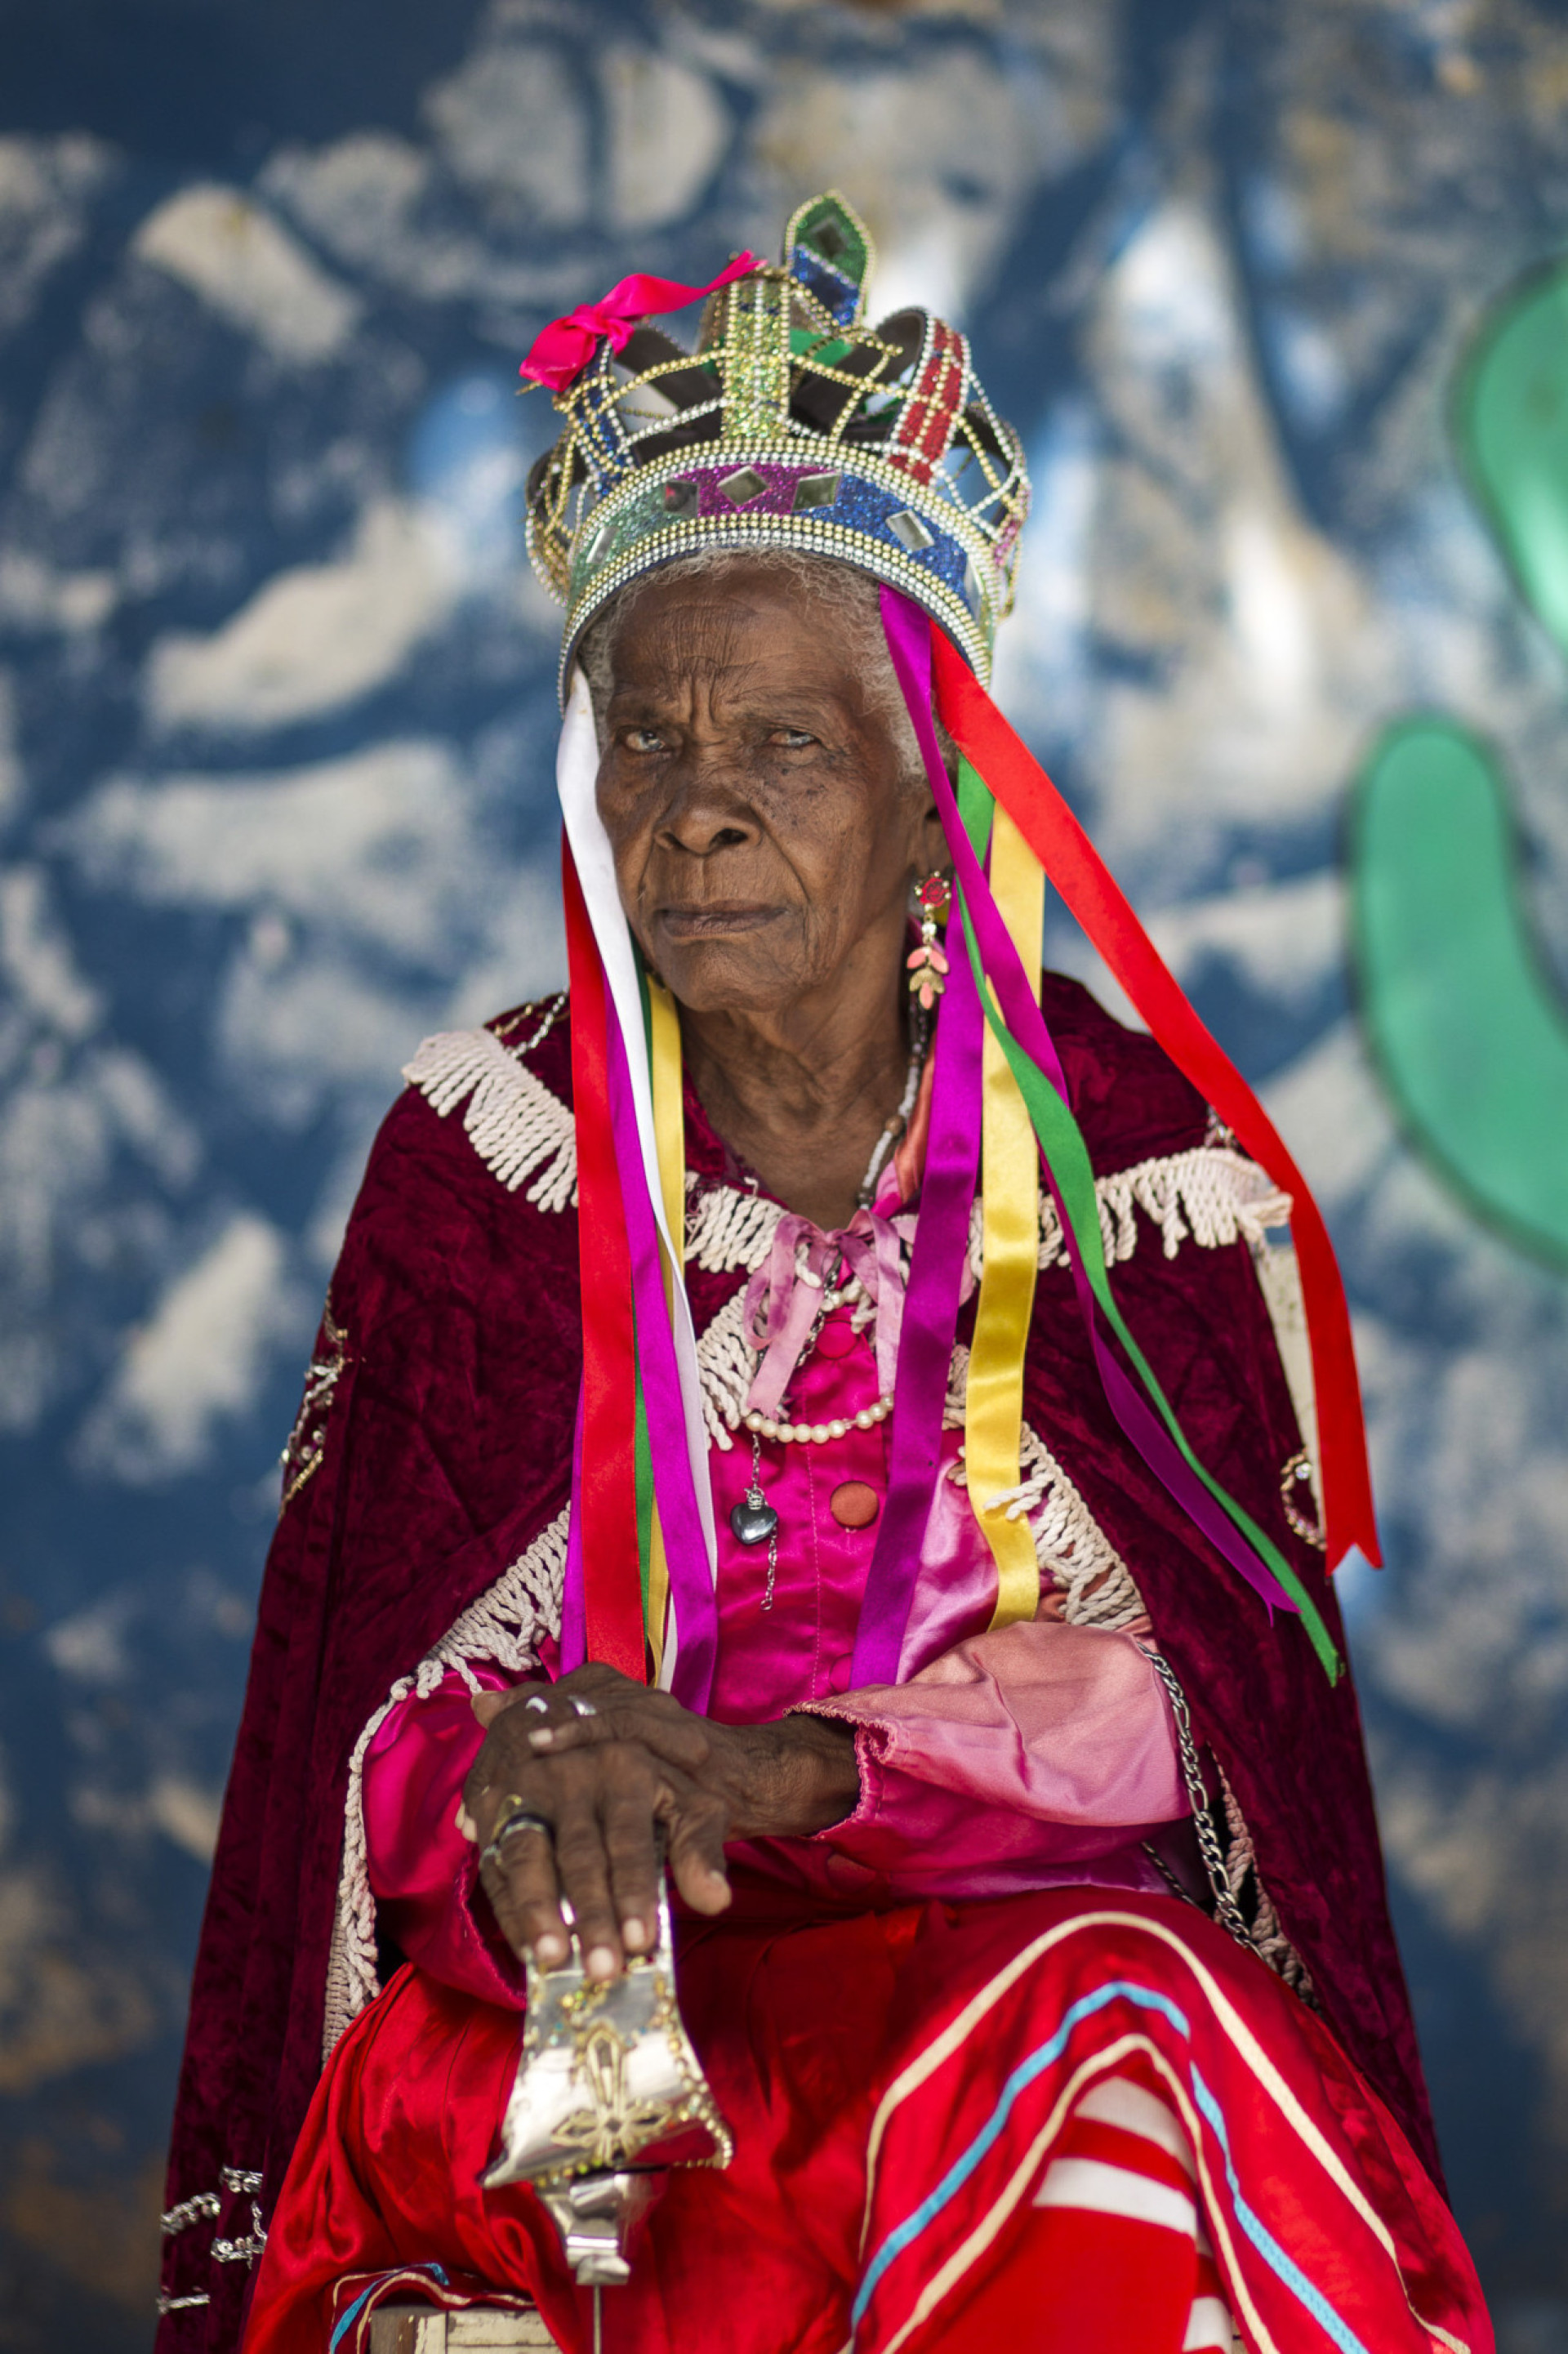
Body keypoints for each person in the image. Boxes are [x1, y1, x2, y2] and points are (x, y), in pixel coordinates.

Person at [156, 194, 1490, 2354]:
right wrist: (506, 1791)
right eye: (649, 746)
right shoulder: (489, 1155)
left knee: (1132, 2021)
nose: (693, 819)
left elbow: (1209, 1732)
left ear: (925, 786)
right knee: (484, 2160)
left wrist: (795, 1771)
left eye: (781, 746)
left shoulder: (1124, 1163)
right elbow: (354, 1719)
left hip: (1000, 1984)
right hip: (606, 2009)